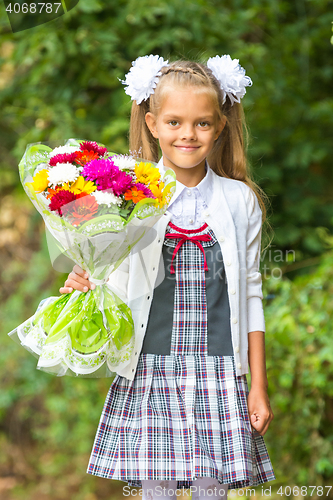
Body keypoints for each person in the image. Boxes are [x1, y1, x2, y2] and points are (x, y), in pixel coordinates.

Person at [60, 54, 275, 499]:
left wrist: (258, 385)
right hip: (151, 372)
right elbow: (102, 264)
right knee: (156, 493)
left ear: (219, 127)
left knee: (212, 492)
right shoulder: (124, 194)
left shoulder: (240, 201)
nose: (188, 134)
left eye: (201, 123)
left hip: (219, 376)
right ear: (153, 123)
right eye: (175, 122)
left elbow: (251, 295)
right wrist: (84, 275)